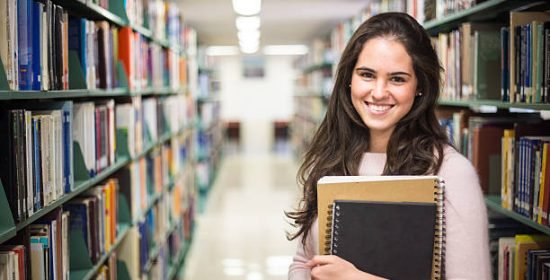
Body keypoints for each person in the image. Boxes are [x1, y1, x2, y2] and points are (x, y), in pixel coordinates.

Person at [286, 12, 491, 280]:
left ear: (419, 86)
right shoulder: (328, 158)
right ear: (349, 79)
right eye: (367, 75)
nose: (379, 92)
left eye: (397, 79)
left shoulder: (450, 172)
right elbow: (304, 260)